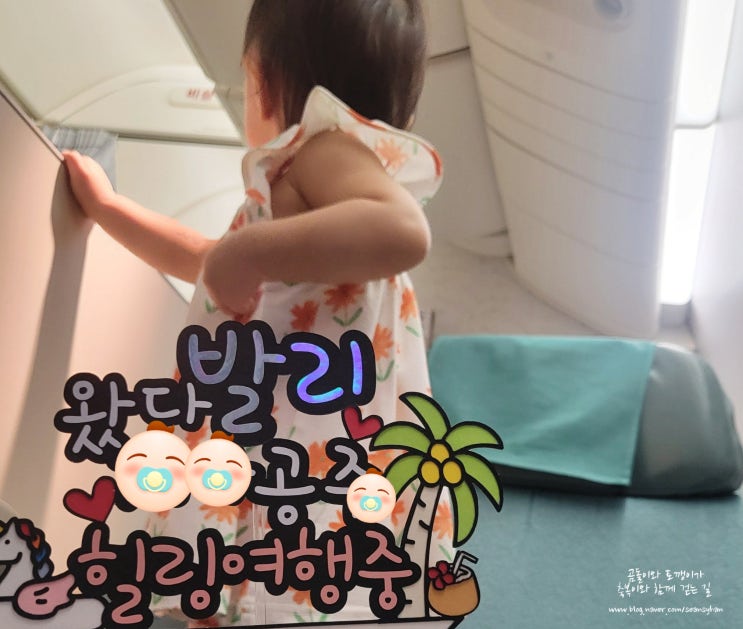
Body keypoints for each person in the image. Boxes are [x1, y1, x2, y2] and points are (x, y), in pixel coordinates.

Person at [64, 0, 453, 624]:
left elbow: (406, 230)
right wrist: (110, 208)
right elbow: (203, 258)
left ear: (266, 81)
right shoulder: (307, 221)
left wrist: (242, 253)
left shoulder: (323, 151)